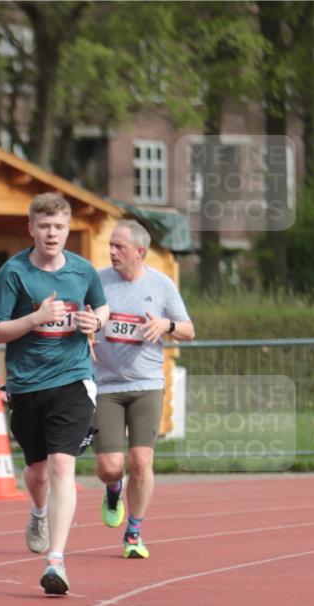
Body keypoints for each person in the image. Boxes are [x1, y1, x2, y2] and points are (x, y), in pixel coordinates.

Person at [0, 192, 108, 596]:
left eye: (59, 227)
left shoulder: (83, 270)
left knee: (61, 467)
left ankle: (56, 560)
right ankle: (38, 511)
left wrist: (95, 322)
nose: (52, 234)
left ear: (68, 229)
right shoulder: (14, 272)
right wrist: (35, 318)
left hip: (73, 380)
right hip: (27, 385)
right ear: (31, 229)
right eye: (44, 226)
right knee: (37, 473)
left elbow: (102, 308)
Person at [93, 220, 195, 558]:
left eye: (119, 246)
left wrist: (166, 324)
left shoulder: (162, 285)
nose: (112, 251)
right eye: (110, 245)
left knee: (140, 461)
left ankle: (134, 533)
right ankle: (113, 489)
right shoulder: (98, 281)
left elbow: (189, 331)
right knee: (109, 466)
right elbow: (82, 317)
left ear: (139, 251)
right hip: (106, 384)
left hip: (147, 384)